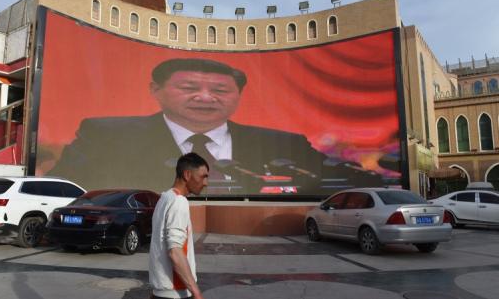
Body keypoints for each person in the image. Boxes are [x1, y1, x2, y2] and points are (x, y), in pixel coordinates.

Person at [48, 58, 363, 193]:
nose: (205, 97)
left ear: (238, 96)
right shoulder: (104, 135)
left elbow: (339, 178)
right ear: (155, 90)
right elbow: (61, 185)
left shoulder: (285, 143)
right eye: (189, 88)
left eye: (221, 91)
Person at [149, 152, 207, 299]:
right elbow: (175, 252)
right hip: (176, 293)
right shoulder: (179, 201)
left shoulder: (164, 198)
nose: (206, 182)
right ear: (187, 175)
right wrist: (196, 293)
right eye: (203, 176)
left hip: (161, 292)